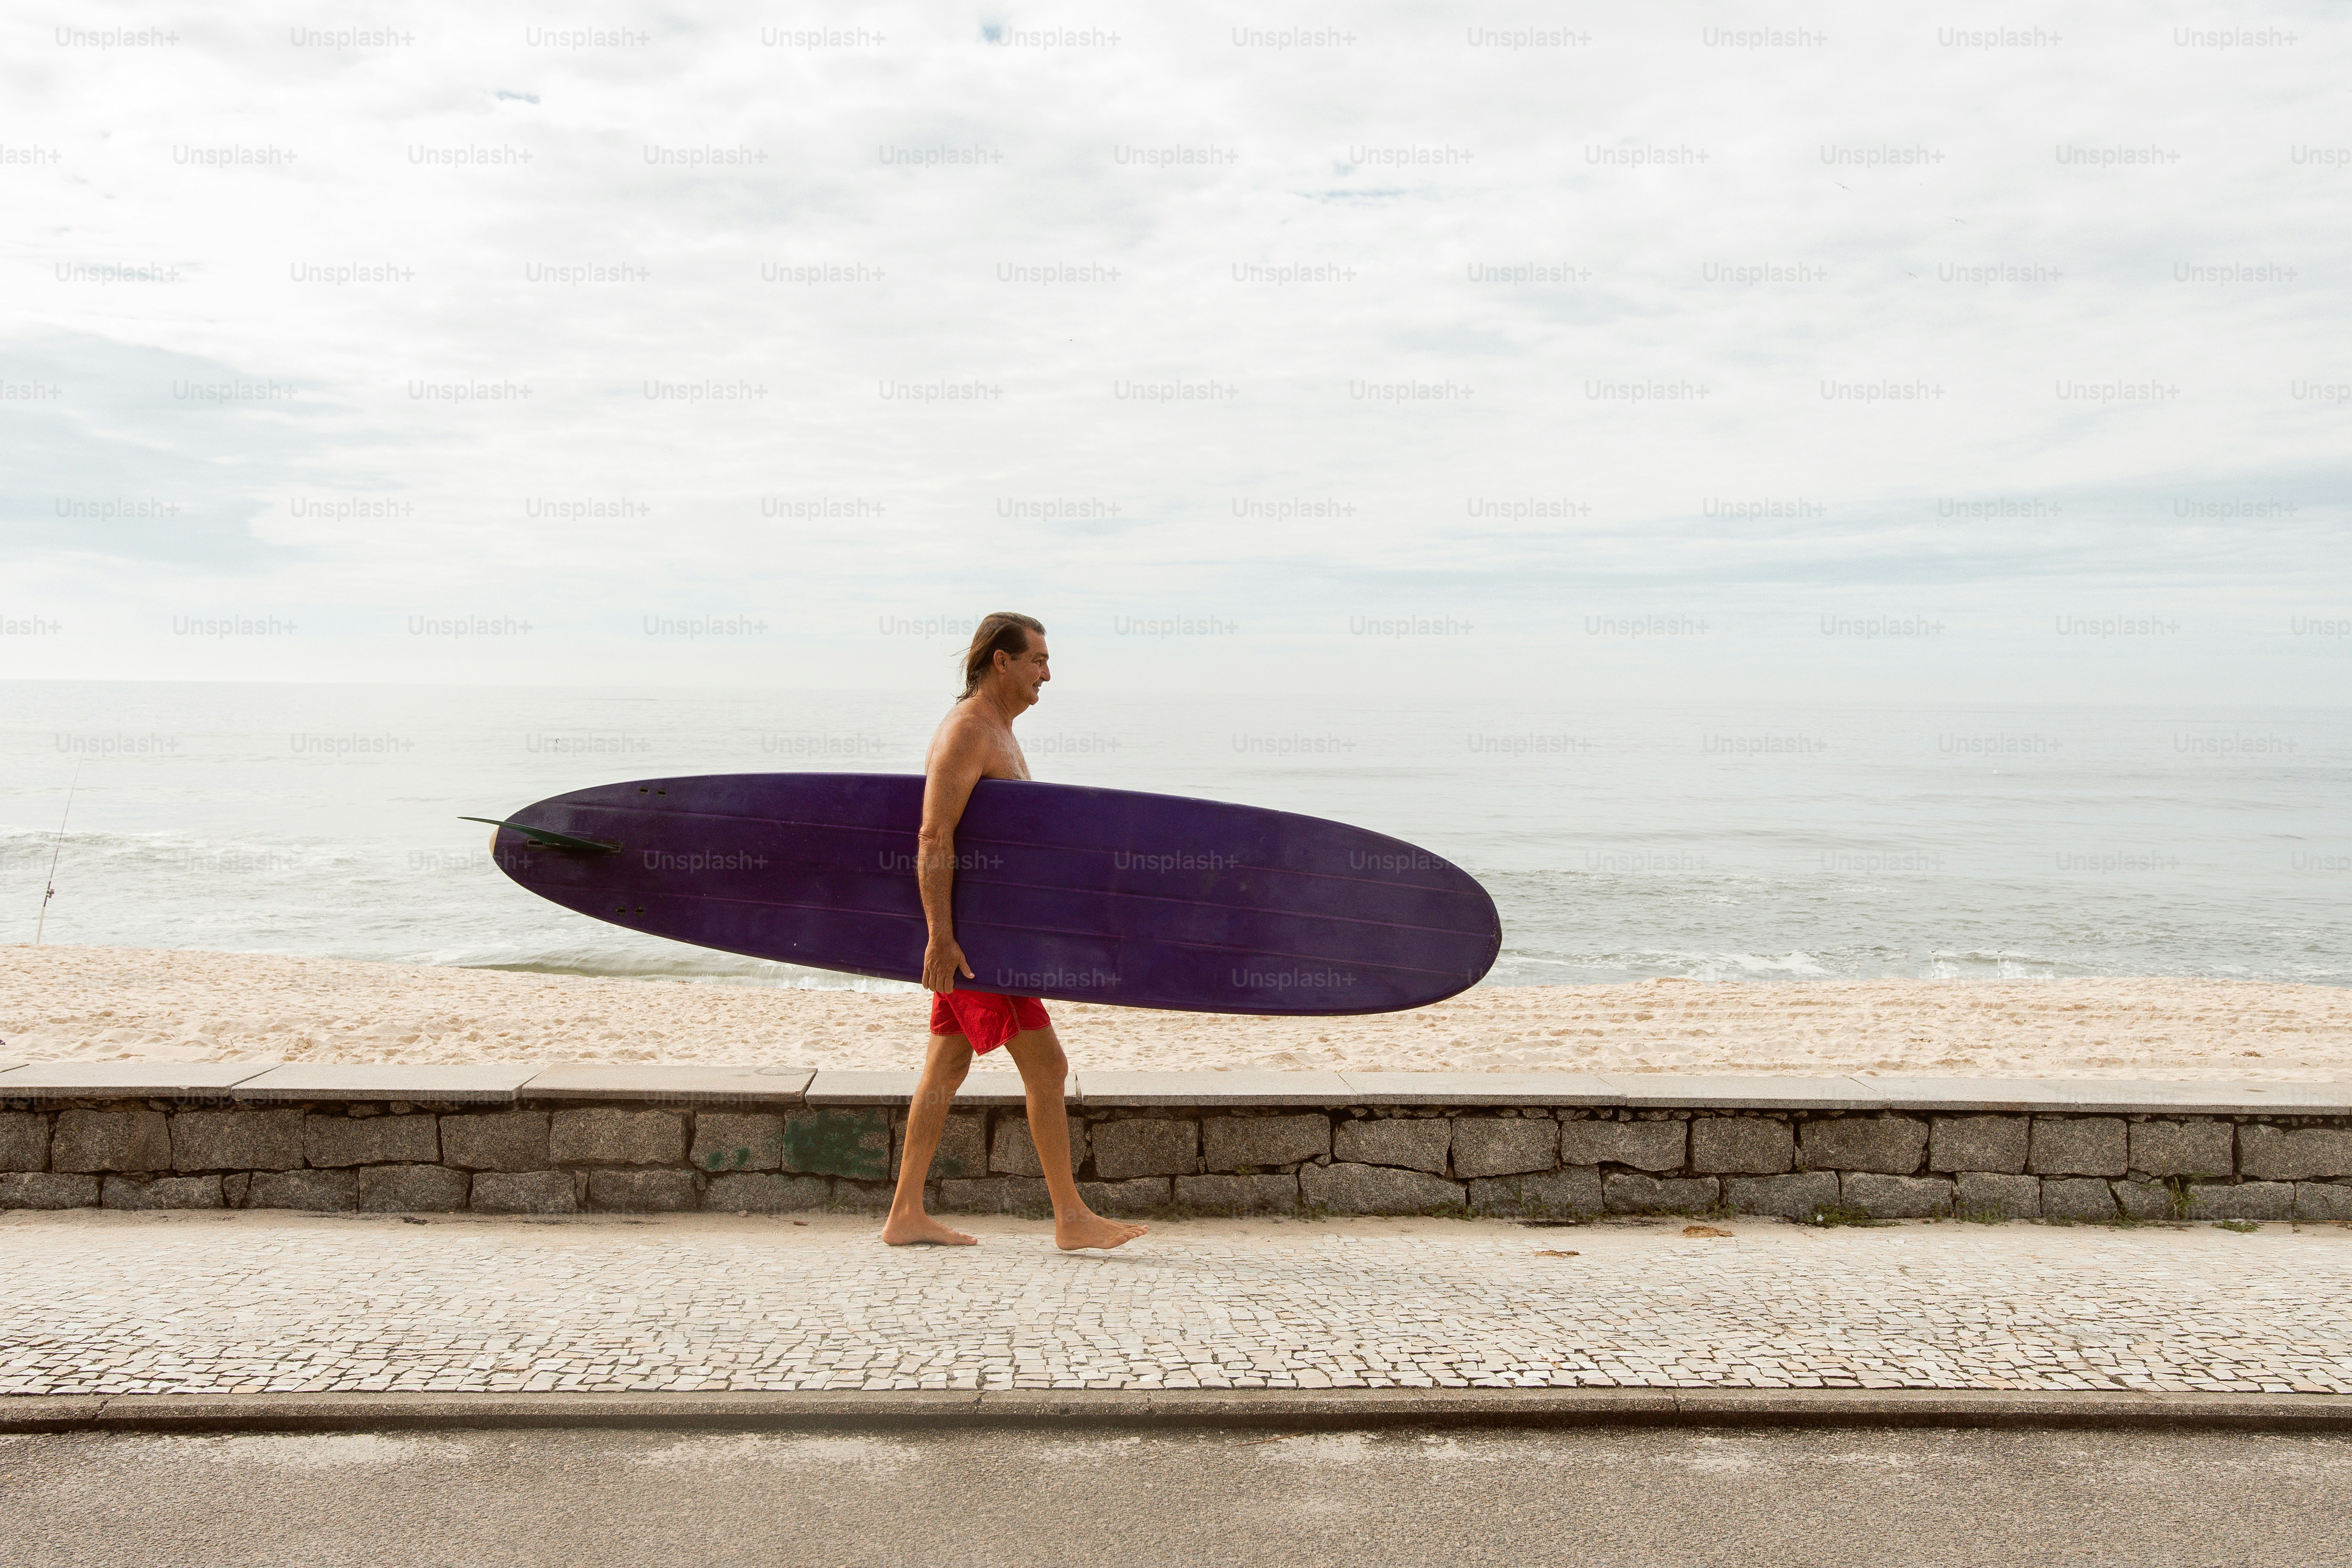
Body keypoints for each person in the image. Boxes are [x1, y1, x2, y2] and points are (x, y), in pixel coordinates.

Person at [880, 612, 1148, 1251]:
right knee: (1047, 1066)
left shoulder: (997, 729)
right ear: (1000, 661)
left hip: (988, 936)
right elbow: (932, 835)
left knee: (944, 1068)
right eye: (1037, 661)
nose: (1046, 674)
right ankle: (1070, 1219)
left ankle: (905, 1213)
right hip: (976, 944)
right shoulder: (969, 732)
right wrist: (941, 939)